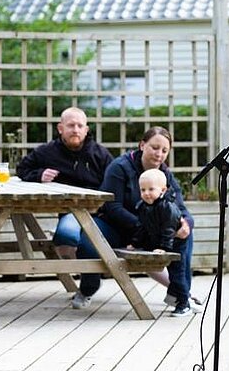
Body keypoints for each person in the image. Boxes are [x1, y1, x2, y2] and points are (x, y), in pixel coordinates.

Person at [71, 127, 197, 316]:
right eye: (155, 147)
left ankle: (180, 295)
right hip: (116, 225)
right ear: (142, 145)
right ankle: (88, 286)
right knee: (88, 239)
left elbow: (181, 208)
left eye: (164, 150)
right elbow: (113, 207)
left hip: (147, 232)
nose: (159, 154)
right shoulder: (119, 167)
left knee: (184, 234)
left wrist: (187, 223)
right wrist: (144, 224)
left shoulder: (165, 175)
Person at [16, 107, 113, 258]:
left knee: (88, 245)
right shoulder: (47, 151)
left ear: (86, 130)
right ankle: (69, 277)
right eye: (71, 125)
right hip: (70, 212)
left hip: (100, 213)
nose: (75, 130)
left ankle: (86, 275)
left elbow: (112, 183)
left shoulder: (100, 154)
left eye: (80, 126)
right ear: (60, 128)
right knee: (65, 236)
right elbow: (22, 168)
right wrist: (39, 174)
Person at [133, 168, 182, 252]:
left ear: (163, 190)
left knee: (177, 264)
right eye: (143, 190)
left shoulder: (167, 207)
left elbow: (169, 229)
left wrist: (164, 248)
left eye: (151, 189)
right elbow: (141, 227)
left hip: (174, 244)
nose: (146, 193)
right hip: (154, 244)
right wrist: (135, 243)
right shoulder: (142, 206)